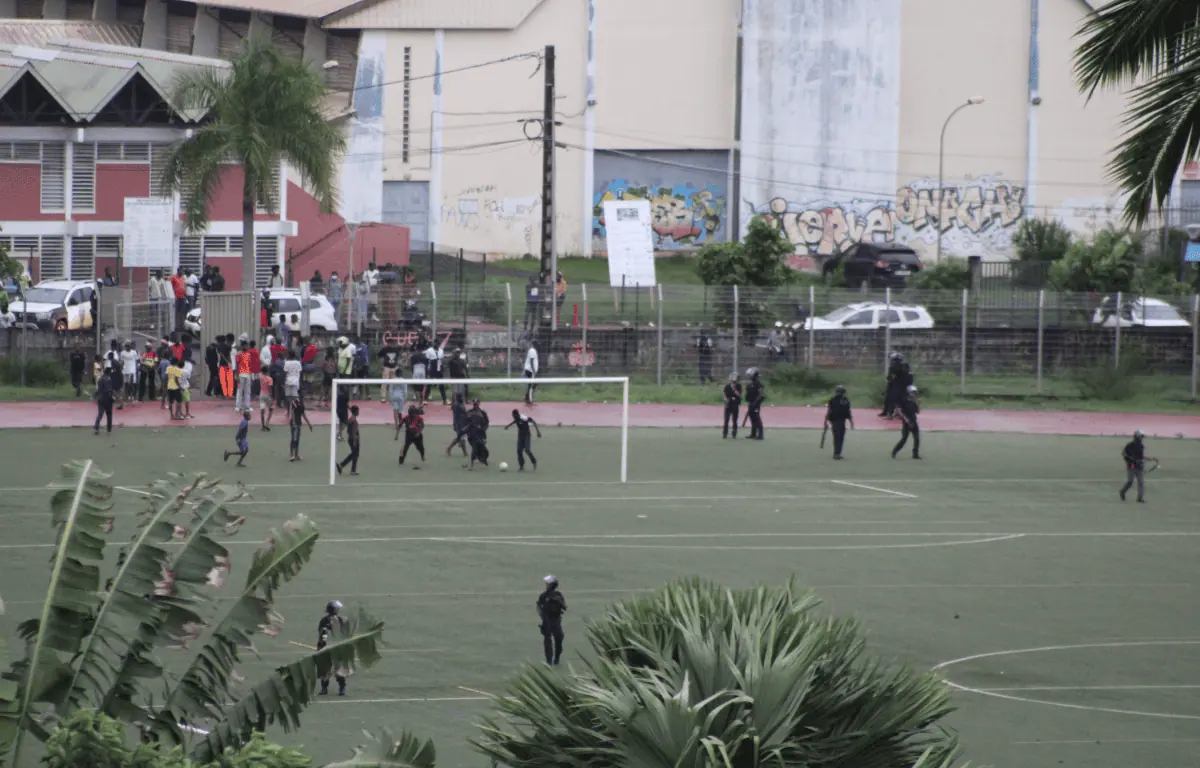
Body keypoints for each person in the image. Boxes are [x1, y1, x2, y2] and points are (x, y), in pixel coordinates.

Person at [317, 600, 347, 696]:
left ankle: (341, 689)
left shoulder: (340, 620)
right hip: (325, 649)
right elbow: (321, 635)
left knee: (338, 670)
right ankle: (324, 689)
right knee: (325, 670)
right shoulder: (324, 621)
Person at [536, 575, 567, 666]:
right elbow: (539, 606)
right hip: (547, 621)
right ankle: (549, 661)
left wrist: (557, 602)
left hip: (556, 620)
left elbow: (564, 607)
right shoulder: (544, 596)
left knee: (559, 639)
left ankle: (557, 658)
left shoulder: (558, 595)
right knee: (548, 641)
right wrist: (542, 616)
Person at [1120, 429, 1156, 503]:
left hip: (1139, 466)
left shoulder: (1141, 446)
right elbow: (1124, 453)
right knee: (1130, 481)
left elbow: (1142, 456)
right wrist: (1131, 460)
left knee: (1141, 482)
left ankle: (1140, 498)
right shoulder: (1130, 445)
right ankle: (1122, 492)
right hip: (1132, 466)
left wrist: (1149, 458)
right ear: (1137, 436)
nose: (1142, 438)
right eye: (1141, 436)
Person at [824, 384, 855, 460]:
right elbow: (848, 413)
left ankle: (837, 453)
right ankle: (837, 453)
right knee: (840, 437)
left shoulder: (832, 400)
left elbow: (829, 411)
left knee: (837, 437)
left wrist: (826, 420)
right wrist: (851, 422)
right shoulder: (845, 400)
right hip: (840, 421)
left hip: (834, 421)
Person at [891, 385, 921, 460]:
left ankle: (915, 454)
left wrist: (917, 402)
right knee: (904, 439)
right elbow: (899, 411)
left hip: (914, 421)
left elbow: (917, 412)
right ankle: (894, 452)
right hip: (906, 422)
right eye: (912, 392)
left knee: (917, 439)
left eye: (915, 393)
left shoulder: (913, 402)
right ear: (908, 392)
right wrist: (906, 420)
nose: (914, 394)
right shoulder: (903, 400)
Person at [336, 405, 361, 475]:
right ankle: (342, 465)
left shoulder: (350, 419)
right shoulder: (354, 420)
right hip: (354, 438)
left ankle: (353, 470)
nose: (359, 412)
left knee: (355, 454)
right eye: (358, 411)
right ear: (356, 412)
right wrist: (355, 440)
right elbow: (354, 431)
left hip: (350, 438)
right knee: (354, 454)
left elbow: (346, 427)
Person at [466, 399, 490, 469]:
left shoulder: (483, 413)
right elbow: (467, 422)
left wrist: (484, 430)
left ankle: (481, 458)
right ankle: (472, 465)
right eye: (474, 404)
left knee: (482, 448)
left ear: (479, 404)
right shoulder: (469, 412)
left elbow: (487, 423)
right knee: (474, 448)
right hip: (472, 434)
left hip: (481, 434)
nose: (475, 405)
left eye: (476, 404)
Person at [288, 396, 313, 462]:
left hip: (298, 424)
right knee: (294, 438)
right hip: (294, 424)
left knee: (297, 439)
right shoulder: (295, 402)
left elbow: (303, 415)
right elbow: (292, 412)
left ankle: (296, 455)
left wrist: (309, 424)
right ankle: (291, 456)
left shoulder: (302, 405)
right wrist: (293, 422)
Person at [93, 367, 116, 435]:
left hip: (101, 399)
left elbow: (99, 390)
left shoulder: (100, 379)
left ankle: (96, 428)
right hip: (107, 399)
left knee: (100, 414)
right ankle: (108, 430)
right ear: (109, 372)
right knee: (109, 415)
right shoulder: (109, 379)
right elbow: (110, 390)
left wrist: (94, 395)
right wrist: (113, 398)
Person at [379, 336, 401, 403]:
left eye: (392, 342)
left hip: (394, 367)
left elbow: (397, 358)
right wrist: (380, 365)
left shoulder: (396, 350)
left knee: (393, 383)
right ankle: (383, 397)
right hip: (386, 367)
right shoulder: (384, 349)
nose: (391, 344)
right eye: (389, 342)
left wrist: (397, 365)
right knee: (384, 382)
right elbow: (379, 356)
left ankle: (393, 397)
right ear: (387, 343)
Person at [744, 367, 764, 440]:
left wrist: (755, 403)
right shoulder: (750, 384)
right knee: (752, 418)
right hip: (750, 403)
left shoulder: (758, 384)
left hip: (756, 404)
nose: (749, 376)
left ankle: (760, 435)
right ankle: (753, 434)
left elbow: (761, 394)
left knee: (757, 418)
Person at [424, 339, 446, 405]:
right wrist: (427, 369)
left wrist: (442, 369)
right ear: (433, 343)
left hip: (439, 366)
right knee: (429, 384)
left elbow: (442, 360)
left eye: (438, 343)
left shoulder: (441, 350)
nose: (436, 344)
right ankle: (425, 399)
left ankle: (444, 399)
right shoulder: (429, 350)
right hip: (432, 367)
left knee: (441, 384)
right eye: (435, 343)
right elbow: (427, 361)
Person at [234, 340, 254, 413]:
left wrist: (251, 375)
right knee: (239, 391)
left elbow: (249, 365)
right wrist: (236, 375)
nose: (247, 347)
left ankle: (247, 406)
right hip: (241, 374)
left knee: (247, 391)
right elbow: (236, 365)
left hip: (248, 374)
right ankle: (238, 407)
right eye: (245, 346)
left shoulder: (249, 354)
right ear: (242, 346)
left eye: (247, 346)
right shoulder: (238, 354)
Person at [722, 373, 741, 439]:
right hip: (728, 404)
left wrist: (734, 389)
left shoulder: (738, 386)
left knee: (734, 419)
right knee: (726, 419)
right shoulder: (727, 386)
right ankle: (725, 433)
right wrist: (725, 400)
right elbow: (724, 394)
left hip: (735, 404)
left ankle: (734, 433)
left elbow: (739, 395)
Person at [217, 334, 235, 399]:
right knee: (229, 380)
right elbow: (229, 356)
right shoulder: (228, 347)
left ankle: (224, 394)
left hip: (221, 365)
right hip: (227, 365)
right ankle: (230, 395)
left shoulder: (218, 347)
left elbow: (220, 355)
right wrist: (230, 363)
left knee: (223, 380)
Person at [409, 342, 426, 406]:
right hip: (423, 369)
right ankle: (421, 401)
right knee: (421, 387)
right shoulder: (424, 356)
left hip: (416, 369)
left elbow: (411, 365)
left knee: (415, 387)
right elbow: (426, 364)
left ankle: (419, 401)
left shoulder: (414, 356)